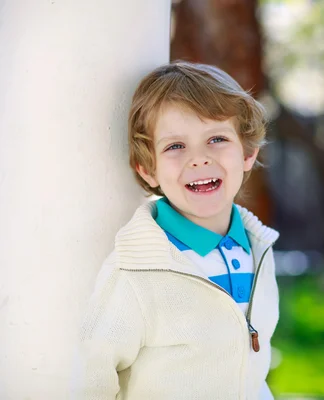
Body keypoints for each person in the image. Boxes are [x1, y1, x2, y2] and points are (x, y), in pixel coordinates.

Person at [72, 62, 279, 399]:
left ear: (247, 152)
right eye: (175, 146)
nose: (199, 158)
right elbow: (91, 375)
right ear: (148, 169)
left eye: (216, 138)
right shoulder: (136, 269)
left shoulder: (257, 249)